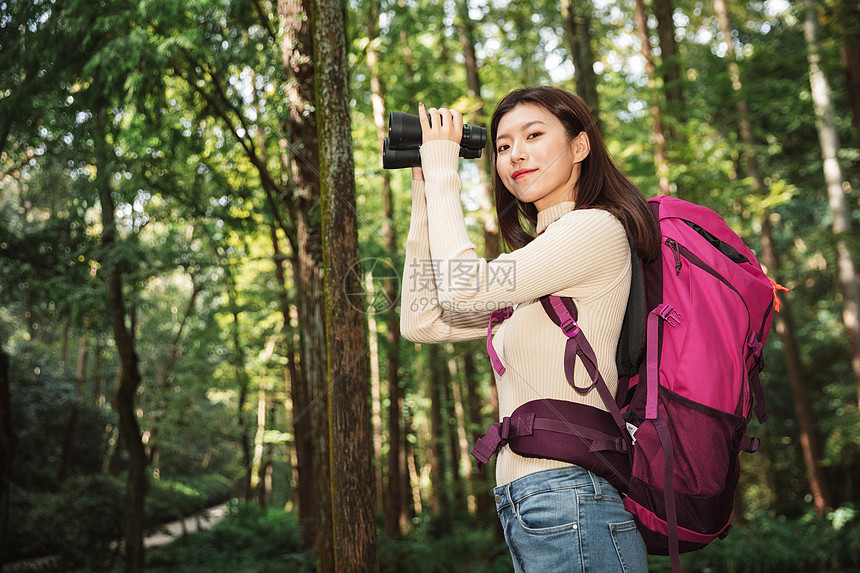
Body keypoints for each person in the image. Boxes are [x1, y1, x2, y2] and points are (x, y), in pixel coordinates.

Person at [400, 86, 661, 572]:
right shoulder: (537, 266)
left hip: (571, 498)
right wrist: (423, 192)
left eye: (534, 135)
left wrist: (444, 170)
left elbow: (462, 290)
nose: (515, 153)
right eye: (501, 146)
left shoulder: (593, 230)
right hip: (536, 503)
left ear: (580, 147)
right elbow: (423, 320)